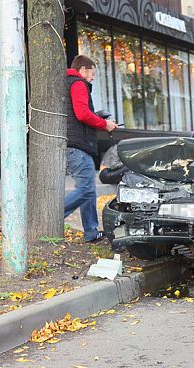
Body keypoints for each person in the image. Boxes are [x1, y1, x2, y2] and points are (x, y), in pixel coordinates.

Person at [64, 55, 118, 242]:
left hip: (73, 146)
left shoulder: (67, 83)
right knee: (86, 190)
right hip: (78, 147)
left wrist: (98, 118)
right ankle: (55, 216)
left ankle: (91, 232)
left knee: (89, 189)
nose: (93, 78)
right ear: (83, 69)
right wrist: (104, 124)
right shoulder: (78, 84)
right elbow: (82, 114)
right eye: (92, 73)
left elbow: (78, 113)